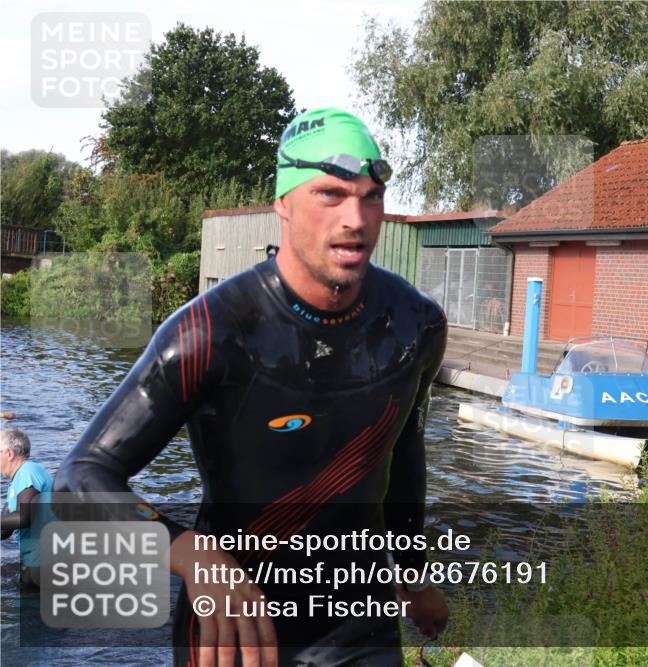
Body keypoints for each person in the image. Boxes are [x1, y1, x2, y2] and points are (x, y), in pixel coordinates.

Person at [55, 107, 449, 667]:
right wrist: (186, 552)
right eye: (330, 195)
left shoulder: (416, 324)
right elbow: (78, 478)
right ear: (282, 205)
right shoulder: (207, 334)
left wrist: (413, 578)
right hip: (239, 631)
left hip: (360, 627)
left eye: (371, 196)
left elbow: (403, 453)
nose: (356, 219)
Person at [1, 428, 54, 587]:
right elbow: (5, 530)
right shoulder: (17, 480)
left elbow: (24, 517)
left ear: (9, 453)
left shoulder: (28, 472)